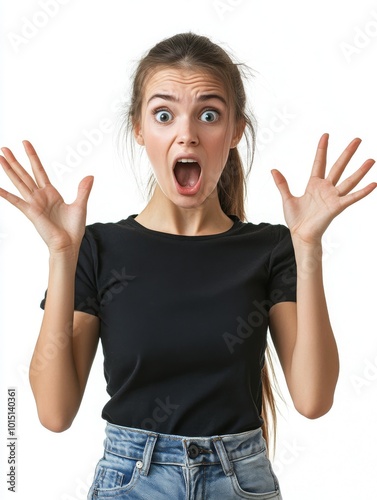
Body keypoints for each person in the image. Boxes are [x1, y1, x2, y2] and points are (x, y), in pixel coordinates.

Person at [0, 32, 375, 500]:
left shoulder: (273, 248)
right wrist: (60, 254)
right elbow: (54, 414)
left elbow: (313, 400)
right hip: (130, 482)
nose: (187, 134)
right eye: (163, 114)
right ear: (139, 129)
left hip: (241, 483)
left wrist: (309, 247)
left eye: (210, 114)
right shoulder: (97, 248)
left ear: (236, 129)